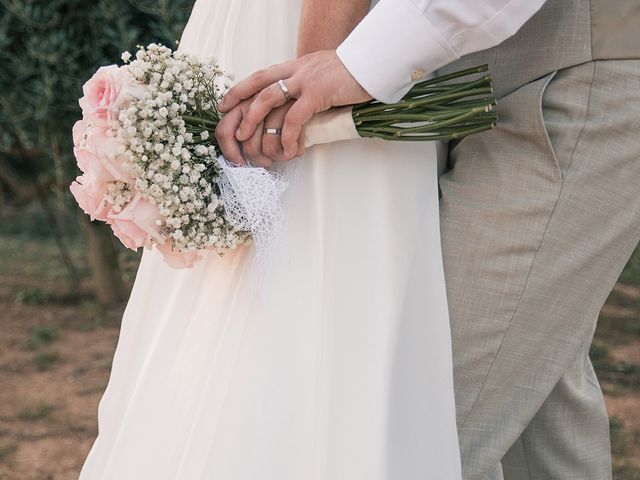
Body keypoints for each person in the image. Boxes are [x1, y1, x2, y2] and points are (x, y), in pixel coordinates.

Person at [218, 0, 640, 478]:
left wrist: (360, 63)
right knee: (537, 410)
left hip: (573, 63)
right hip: (454, 79)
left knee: (409, 427)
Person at [78, 0, 463, 478]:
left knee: (250, 302)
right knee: (307, 298)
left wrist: (307, 80)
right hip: (302, 47)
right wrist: (304, 89)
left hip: (290, 44)